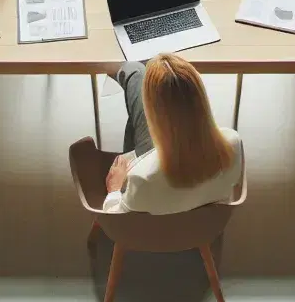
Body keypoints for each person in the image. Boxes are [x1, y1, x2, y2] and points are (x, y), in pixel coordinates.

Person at [103, 53, 246, 215]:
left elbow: (117, 220)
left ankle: (124, 68)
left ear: (155, 115)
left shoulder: (142, 178)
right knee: (136, 78)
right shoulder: (233, 144)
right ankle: (129, 69)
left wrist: (113, 190)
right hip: (203, 227)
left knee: (135, 75)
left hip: (152, 226)